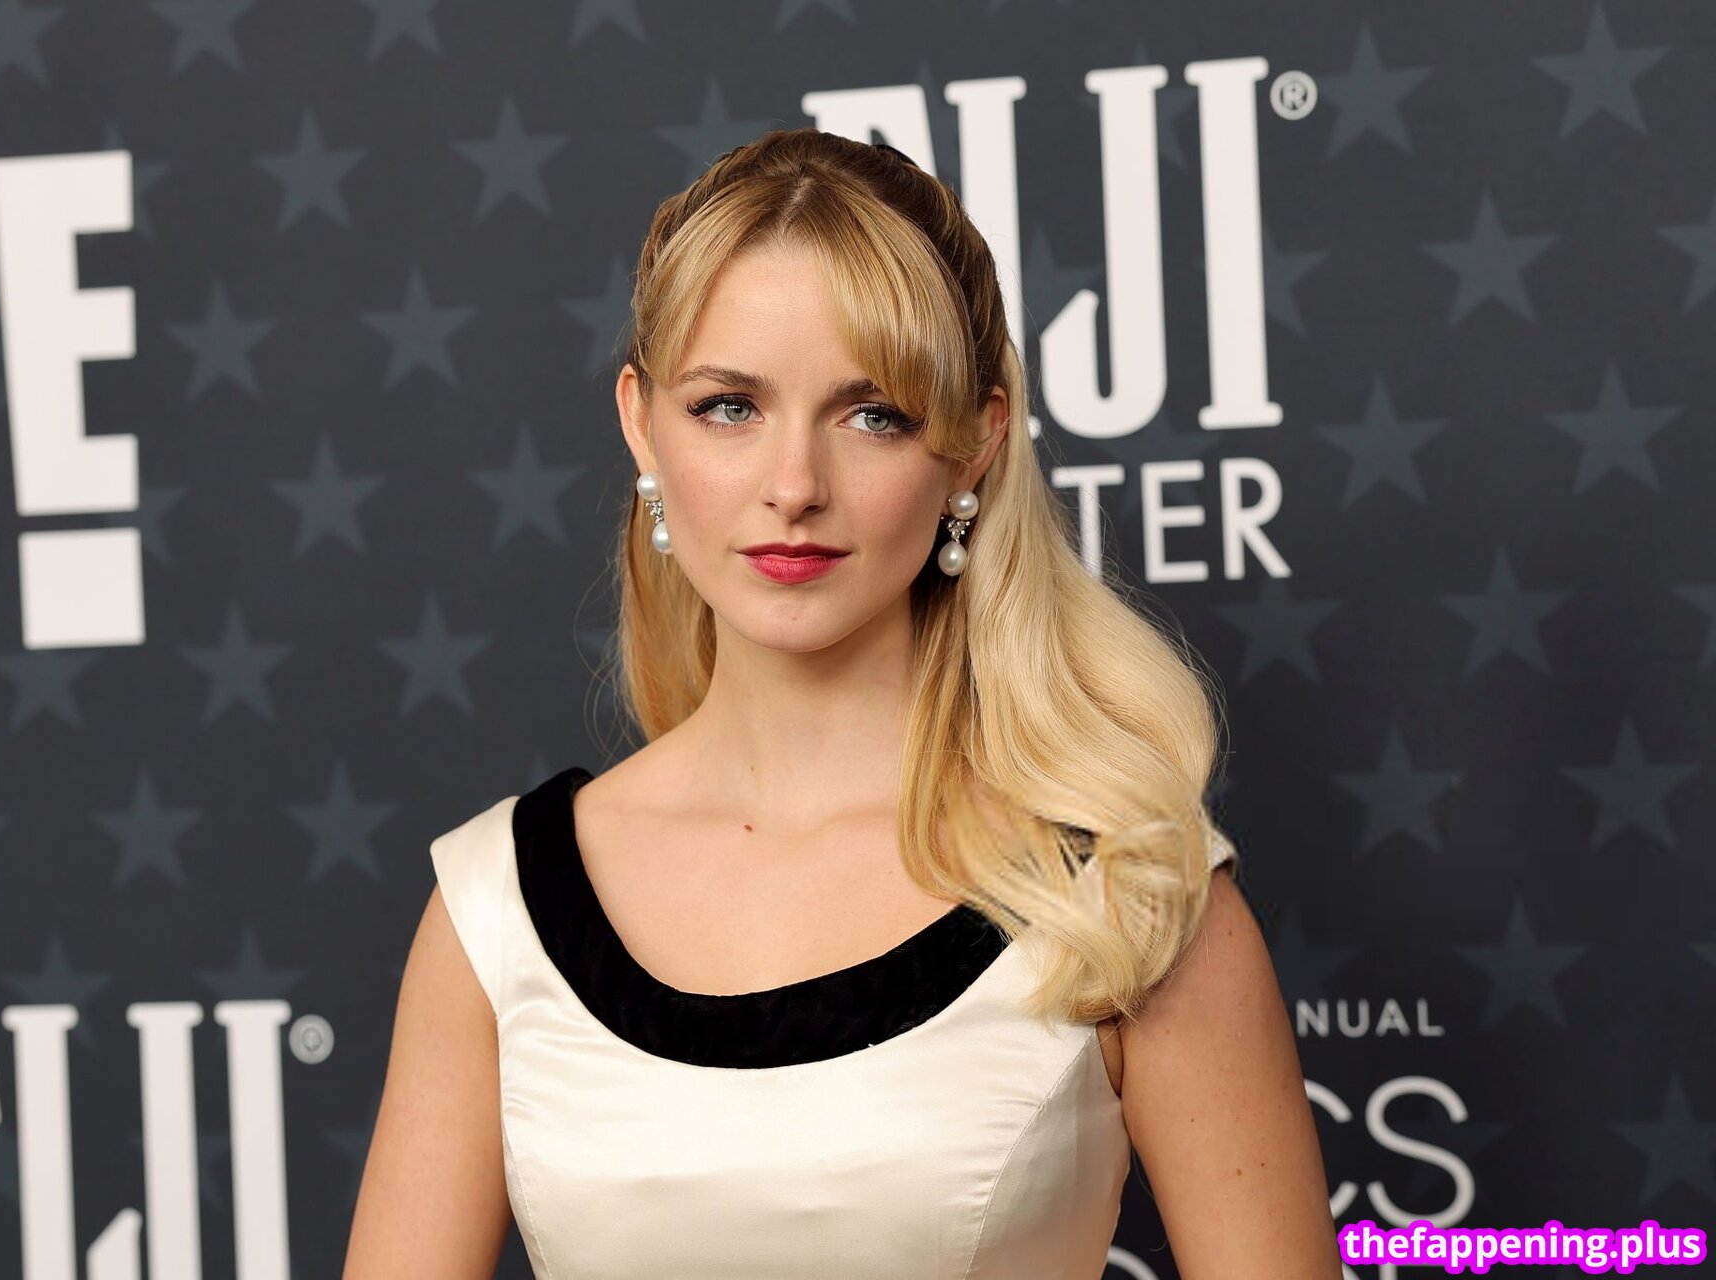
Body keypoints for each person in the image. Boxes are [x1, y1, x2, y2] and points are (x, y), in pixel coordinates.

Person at [343, 128, 1339, 1279]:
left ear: (976, 444)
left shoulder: (1127, 890)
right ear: (641, 422)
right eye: (729, 406)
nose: (794, 486)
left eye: (875, 414)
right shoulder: (497, 907)